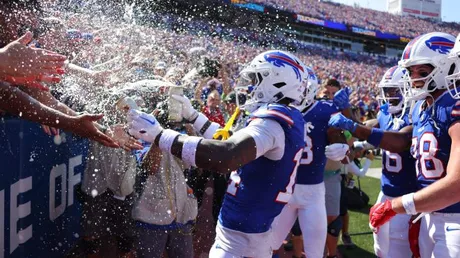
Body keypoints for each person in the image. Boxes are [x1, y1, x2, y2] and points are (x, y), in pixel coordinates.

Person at [127, 50, 311, 257]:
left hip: (241, 241)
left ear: (277, 82)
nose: (250, 87)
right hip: (251, 233)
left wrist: (161, 136)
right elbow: (229, 140)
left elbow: (226, 155)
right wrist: (194, 116)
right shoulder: (285, 119)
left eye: (257, 79)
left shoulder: (271, 124)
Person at [328, 32, 460, 258]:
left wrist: (397, 205)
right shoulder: (421, 107)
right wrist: (355, 130)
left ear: (448, 67)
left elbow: (457, 184)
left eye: (422, 72)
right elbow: (402, 140)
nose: (412, 79)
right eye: (410, 72)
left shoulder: (454, 105)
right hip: (427, 213)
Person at [270, 66, 350, 258]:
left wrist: (342, 148)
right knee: (268, 243)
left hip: (312, 190)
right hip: (285, 188)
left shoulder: (325, 110)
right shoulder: (280, 110)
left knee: (315, 251)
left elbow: (344, 137)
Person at [354, 65, 418, 257]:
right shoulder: (384, 114)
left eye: (394, 90)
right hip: (386, 192)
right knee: (380, 247)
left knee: (400, 247)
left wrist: (351, 126)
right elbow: (367, 128)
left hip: (407, 196)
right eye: (386, 91)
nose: (389, 96)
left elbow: (398, 142)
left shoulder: (416, 114)